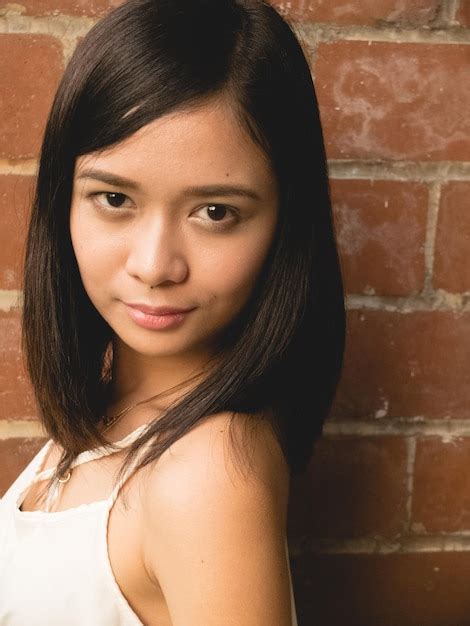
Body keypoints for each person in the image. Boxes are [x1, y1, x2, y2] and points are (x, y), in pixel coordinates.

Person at [0, 0, 345, 624]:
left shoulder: (208, 474)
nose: (156, 265)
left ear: (284, 225)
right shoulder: (112, 405)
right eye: (114, 198)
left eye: (214, 212)